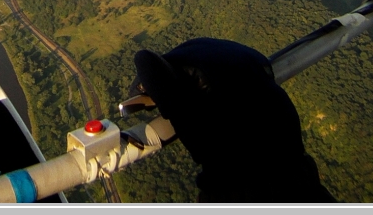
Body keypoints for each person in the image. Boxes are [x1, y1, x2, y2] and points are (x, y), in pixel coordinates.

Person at [128, 37, 335, 202]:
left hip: (242, 191)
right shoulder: (308, 189)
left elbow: (145, 60)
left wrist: (170, 101)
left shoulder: (230, 177)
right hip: (299, 177)